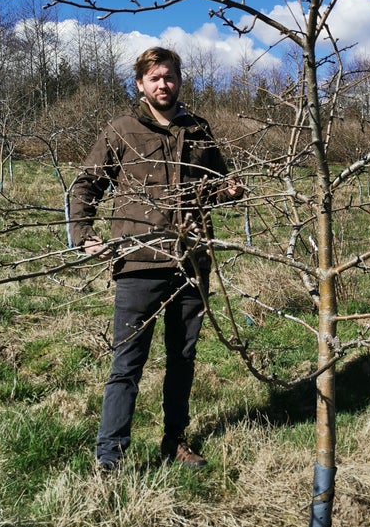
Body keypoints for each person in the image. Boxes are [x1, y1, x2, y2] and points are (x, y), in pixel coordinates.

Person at [70, 46, 243, 471]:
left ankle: (175, 442)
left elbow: (217, 184)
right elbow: (85, 186)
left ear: (180, 80)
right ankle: (110, 456)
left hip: (191, 262)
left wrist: (230, 191)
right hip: (139, 264)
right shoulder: (123, 130)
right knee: (127, 363)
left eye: (170, 77)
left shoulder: (199, 130)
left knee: (182, 360)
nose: (163, 84)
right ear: (140, 84)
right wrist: (84, 235)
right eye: (155, 78)